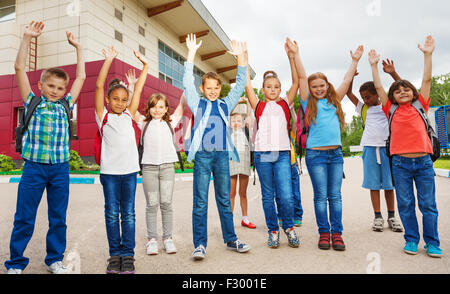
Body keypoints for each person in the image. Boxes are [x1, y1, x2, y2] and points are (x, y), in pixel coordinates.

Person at [5, 21, 86, 274]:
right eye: (51, 86)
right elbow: (19, 67)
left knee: (58, 218)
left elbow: (82, 76)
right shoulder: (32, 101)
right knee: (24, 217)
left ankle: (54, 259)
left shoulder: (66, 105)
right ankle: (16, 263)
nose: (56, 91)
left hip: (60, 169)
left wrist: (79, 48)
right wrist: (27, 38)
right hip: (34, 168)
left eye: (61, 88)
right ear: (41, 86)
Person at [369, 35, 442, 258]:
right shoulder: (390, 109)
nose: (402, 91)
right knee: (406, 204)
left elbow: (427, 80)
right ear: (391, 97)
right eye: (397, 90)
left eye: (406, 89)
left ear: (414, 93)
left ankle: (432, 242)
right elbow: (380, 86)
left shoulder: (420, 104)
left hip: (423, 162)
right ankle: (411, 239)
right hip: (400, 163)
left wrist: (428, 55)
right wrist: (374, 66)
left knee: (428, 204)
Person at [288, 37, 364, 251]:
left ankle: (337, 233)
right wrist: (296, 54)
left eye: (322, 85)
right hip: (315, 156)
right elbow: (302, 76)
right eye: (314, 87)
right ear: (310, 89)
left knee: (335, 196)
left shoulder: (335, 100)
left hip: (335, 155)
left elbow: (347, 80)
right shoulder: (306, 101)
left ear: (327, 85)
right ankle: (324, 233)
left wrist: (355, 60)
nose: (319, 89)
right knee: (321, 196)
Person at [183, 34, 251, 260]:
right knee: (200, 202)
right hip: (203, 157)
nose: (212, 91)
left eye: (216, 87)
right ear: (202, 89)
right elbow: (186, 83)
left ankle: (231, 239)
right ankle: (200, 245)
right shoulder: (197, 103)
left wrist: (240, 59)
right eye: (208, 87)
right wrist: (191, 54)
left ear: (219, 89)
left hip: (222, 157)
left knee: (224, 199)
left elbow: (240, 83)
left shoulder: (224, 104)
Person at [95, 46, 148, 273]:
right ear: (107, 100)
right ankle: (114, 255)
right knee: (111, 213)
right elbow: (98, 86)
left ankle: (128, 255)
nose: (120, 102)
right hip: (109, 174)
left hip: (128, 173)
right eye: (115, 98)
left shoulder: (128, 115)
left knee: (128, 214)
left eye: (124, 99)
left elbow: (138, 91)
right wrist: (108, 60)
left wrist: (145, 66)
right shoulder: (103, 116)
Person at [245, 41, 300, 249]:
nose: (273, 90)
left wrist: (291, 57)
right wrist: (245, 61)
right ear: (263, 89)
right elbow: (247, 84)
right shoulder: (258, 105)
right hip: (263, 155)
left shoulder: (285, 103)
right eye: (269, 87)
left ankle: (289, 227)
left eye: (277, 87)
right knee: (268, 195)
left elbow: (295, 82)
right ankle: (273, 231)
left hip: (283, 154)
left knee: (286, 195)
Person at [346, 61, 403, 233]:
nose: (365, 100)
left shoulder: (388, 106)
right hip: (370, 149)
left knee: (389, 184)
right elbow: (348, 93)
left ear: (377, 94)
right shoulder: (363, 108)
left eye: (368, 97)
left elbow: (403, 89)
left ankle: (392, 216)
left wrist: (393, 73)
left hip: (387, 149)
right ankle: (377, 216)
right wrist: (351, 78)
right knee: (373, 184)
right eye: (363, 97)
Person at [141, 93, 187, 255]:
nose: (157, 110)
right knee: (152, 204)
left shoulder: (170, 122)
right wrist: (132, 89)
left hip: (167, 168)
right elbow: (132, 111)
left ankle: (167, 238)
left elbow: (181, 108)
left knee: (166, 204)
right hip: (149, 169)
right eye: (153, 106)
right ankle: (151, 239)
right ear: (149, 108)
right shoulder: (144, 122)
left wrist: (185, 93)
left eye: (161, 106)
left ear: (166, 108)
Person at [275, 105, 304, 228]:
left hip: (291, 166)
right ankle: (282, 216)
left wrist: (291, 109)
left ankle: (297, 215)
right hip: (279, 167)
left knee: (295, 193)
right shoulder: (274, 136)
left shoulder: (290, 134)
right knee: (279, 194)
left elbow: (296, 123)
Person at [229, 97, 256, 229]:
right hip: (231, 164)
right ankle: (230, 219)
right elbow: (229, 113)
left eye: (239, 120)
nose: (236, 123)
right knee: (231, 194)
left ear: (243, 121)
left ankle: (245, 218)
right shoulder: (229, 131)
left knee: (243, 193)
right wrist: (237, 102)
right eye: (233, 120)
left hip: (244, 164)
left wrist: (247, 102)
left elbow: (250, 114)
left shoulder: (245, 129)